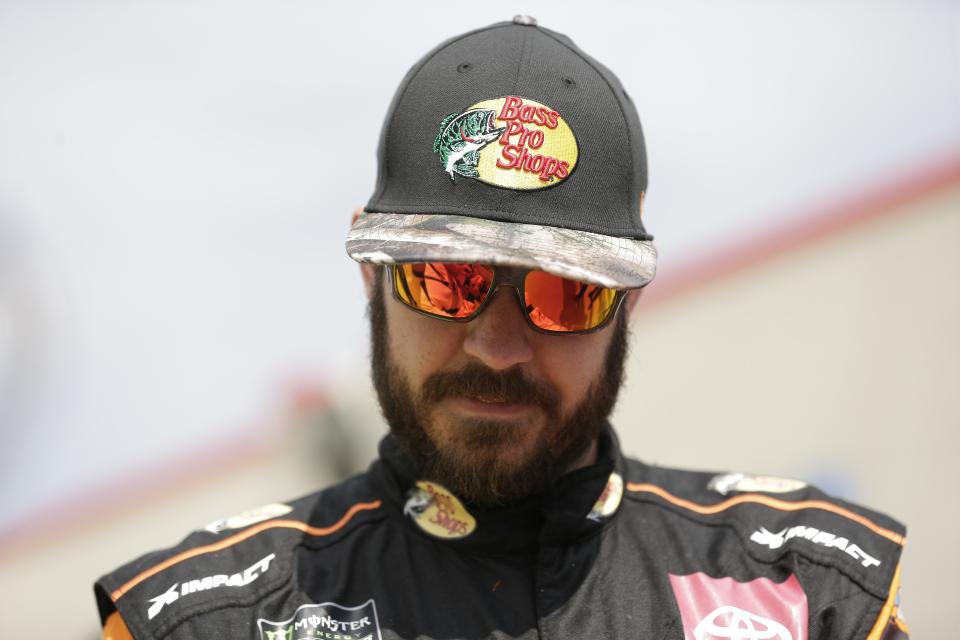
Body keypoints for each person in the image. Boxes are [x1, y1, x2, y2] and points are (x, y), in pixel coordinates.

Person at [95, 18, 909, 640]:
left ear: (629, 296)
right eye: (449, 280)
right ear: (371, 272)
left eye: (562, 294)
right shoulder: (201, 621)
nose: (497, 346)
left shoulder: (811, 587)